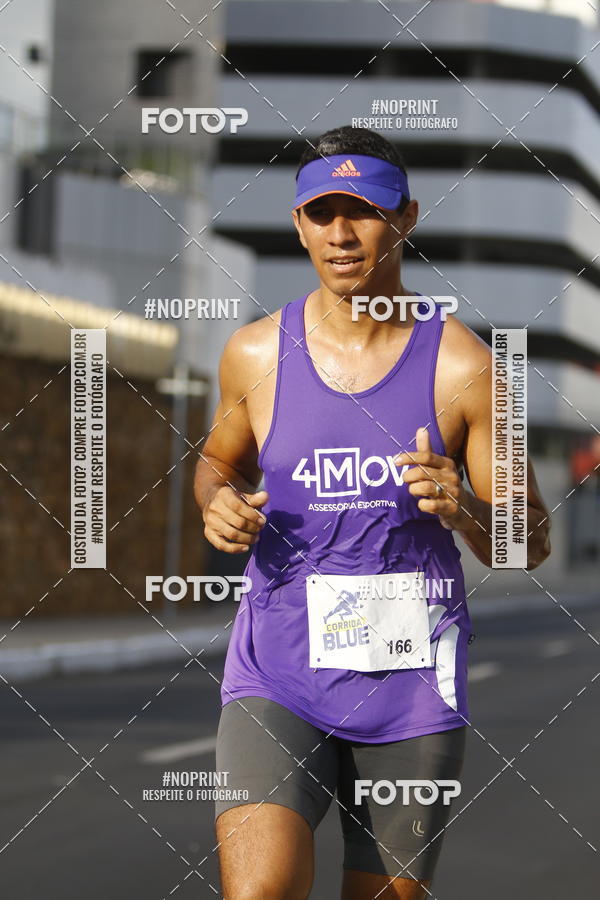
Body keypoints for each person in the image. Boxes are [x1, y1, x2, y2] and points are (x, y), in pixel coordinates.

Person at [194, 125, 551, 900]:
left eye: (363, 211)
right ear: (298, 223)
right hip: (277, 671)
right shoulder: (254, 353)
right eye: (321, 213)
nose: (341, 233)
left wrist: (464, 513)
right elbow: (218, 460)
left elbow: (533, 540)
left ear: (408, 218)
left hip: (412, 689)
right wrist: (215, 500)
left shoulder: (468, 369)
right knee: (259, 893)